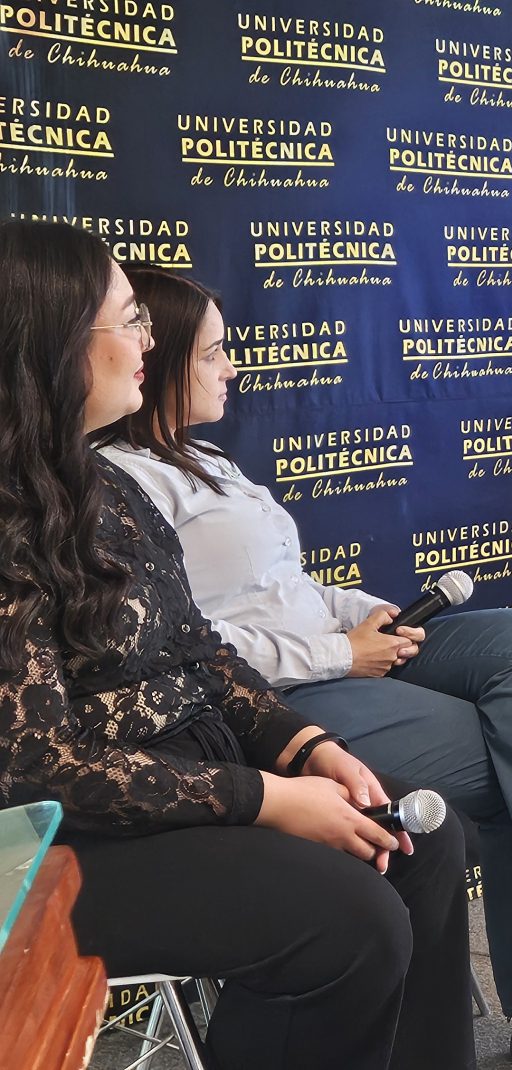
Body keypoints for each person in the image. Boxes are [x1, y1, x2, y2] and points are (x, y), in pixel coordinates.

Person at [93, 266, 512, 1064]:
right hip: (282, 698)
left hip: (344, 657)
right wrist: (341, 653)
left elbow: (285, 587)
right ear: (157, 361)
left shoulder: (207, 459)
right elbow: (189, 648)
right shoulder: (119, 484)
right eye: (212, 353)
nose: (232, 368)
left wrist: (364, 614)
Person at [0, 219, 475, 1069]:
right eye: (132, 320)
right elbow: (36, 768)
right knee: (348, 920)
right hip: (63, 849)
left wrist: (306, 746)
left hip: (195, 777)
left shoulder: (106, 485)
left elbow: (203, 653)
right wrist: (264, 798)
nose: (150, 341)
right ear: (57, 340)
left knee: (420, 842)